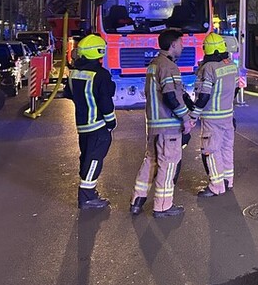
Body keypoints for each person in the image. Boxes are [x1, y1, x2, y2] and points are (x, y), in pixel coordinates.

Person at [130, 29, 196, 217]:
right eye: (181, 43)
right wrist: (185, 118)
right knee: (168, 166)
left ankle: (137, 201)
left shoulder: (154, 64)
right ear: (173, 44)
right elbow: (170, 96)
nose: (183, 47)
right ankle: (163, 206)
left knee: (150, 162)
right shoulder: (169, 67)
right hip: (168, 126)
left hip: (153, 125)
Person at [65, 34, 116, 210]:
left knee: (86, 157)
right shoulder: (100, 75)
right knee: (94, 159)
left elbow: (69, 94)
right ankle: (86, 197)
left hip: (82, 125)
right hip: (98, 125)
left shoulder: (74, 73)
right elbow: (105, 102)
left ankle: (89, 193)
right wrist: (111, 122)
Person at [190, 33, 239, 197]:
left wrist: (193, 116)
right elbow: (236, 90)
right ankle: (228, 181)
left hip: (212, 117)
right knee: (226, 148)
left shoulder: (208, 68)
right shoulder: (232, 66)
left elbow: (204, 96)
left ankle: (216, 186)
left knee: (210, 151)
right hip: (228, 116)